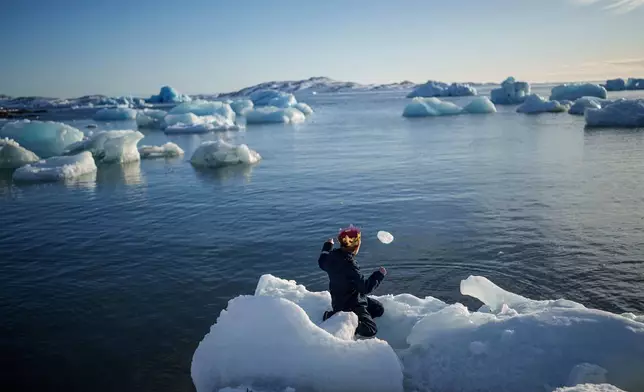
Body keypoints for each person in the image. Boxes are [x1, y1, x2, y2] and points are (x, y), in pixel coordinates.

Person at [318, 225, 387, 338]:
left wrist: (328, 246)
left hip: (343, 298)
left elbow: (322, 261)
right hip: (350, 304)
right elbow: (365, 288)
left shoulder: (331, 257)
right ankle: (335, 317)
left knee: (378, 309)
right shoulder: (350, 266)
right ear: (356, 246)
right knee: (371, 329)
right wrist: (378, 275)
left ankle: (357, 317)